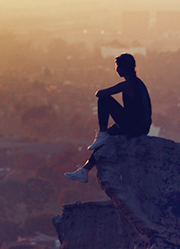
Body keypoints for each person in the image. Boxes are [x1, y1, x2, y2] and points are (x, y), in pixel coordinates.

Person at [65, 53, 152, 183]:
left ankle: (102, 132)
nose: (116, 70)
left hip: (134, 126)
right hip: (139, 125)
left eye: (117, 67)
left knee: (104, 99)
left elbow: (100, 93)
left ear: (122, 69)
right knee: (104, 141)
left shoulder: (128, 84)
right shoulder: (137, 83)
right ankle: (85, 170)